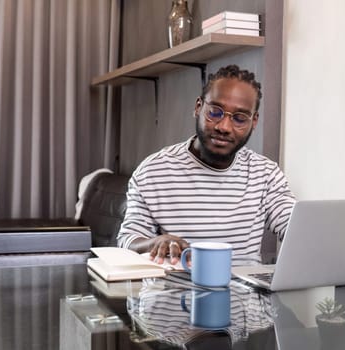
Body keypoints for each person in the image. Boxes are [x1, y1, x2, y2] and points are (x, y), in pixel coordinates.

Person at [117, 65, 295, 266]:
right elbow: (127, 241)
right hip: (173, 294)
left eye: (239, 118)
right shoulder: (152, 172)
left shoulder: (266, 174)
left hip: (247, 296)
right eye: (215, 112)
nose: (224, 127)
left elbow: (295, 227)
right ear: (198, 107)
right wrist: (155, 242)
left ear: (254, 122)